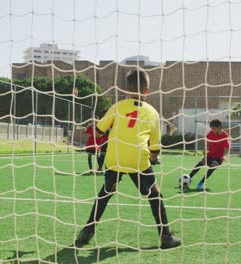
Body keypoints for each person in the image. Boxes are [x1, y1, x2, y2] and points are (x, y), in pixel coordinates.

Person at [74, 70, 181, 249]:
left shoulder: (117, 106)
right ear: (147, 91)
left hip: (114, 158)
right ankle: (166, 236)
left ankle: (87, 231)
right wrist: (153, 158)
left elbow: (98, 131)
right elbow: (155, 149)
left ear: (125, 90)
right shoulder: (153, 113)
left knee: (106, 192)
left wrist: (111, 131)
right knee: (155, 194)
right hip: (138, 159)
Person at [188, 119, 230, 190]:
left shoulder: (225, 135)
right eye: (212, 128)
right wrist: (205, 150)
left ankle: (200, 184)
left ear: (219, 127)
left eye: (214, 128)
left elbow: (227, 147)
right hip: (210, 154)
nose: (212, 130)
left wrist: (223, 155)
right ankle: (188, 178)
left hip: (218, 156)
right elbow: (206, 141)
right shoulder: (211, 133)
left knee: (212, 166)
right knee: (201, 163)